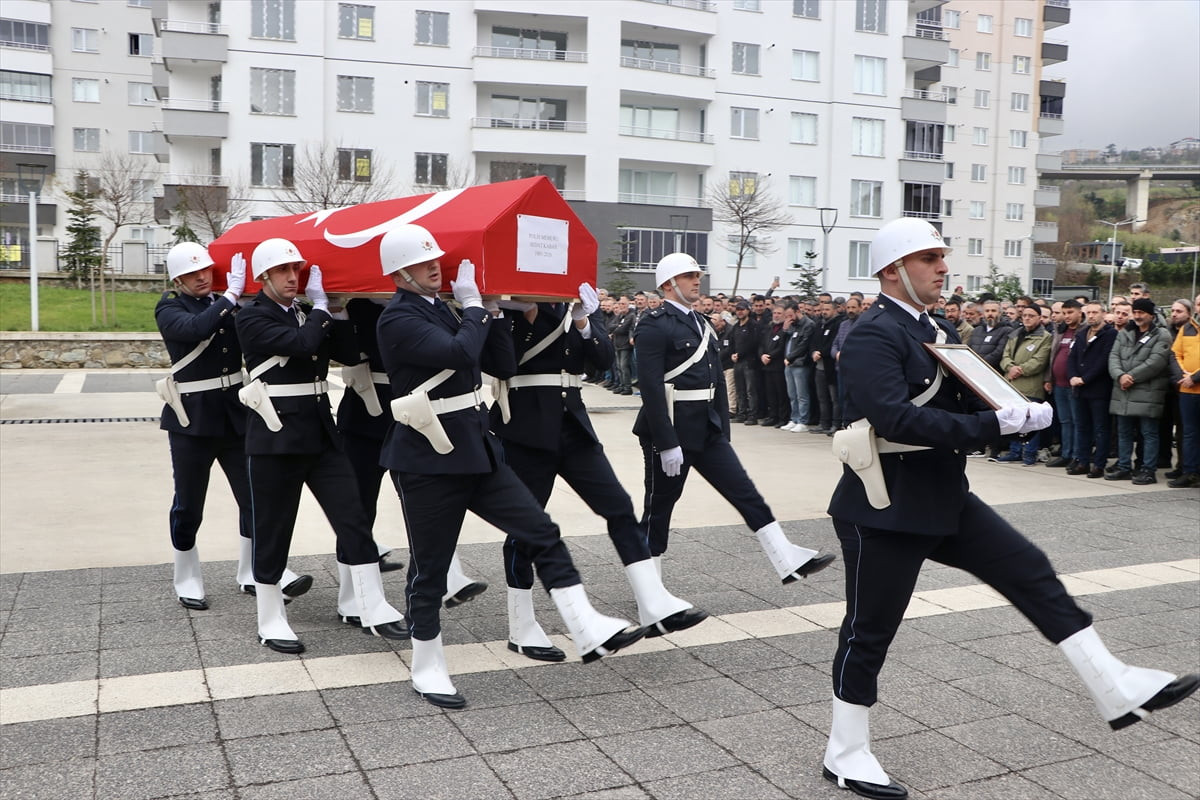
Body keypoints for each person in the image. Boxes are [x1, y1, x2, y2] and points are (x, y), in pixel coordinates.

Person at [823, 217, 1198, 800]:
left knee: (1030, 569)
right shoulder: (874, 333)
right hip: (886, 507)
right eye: (930, 259)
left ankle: (1115, 685)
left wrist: (1016, 411)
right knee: (869, 631)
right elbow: (897, 418)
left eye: (942, 256)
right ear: (893, 270)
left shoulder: (932, 326)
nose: (944, 268)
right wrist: (992, 422)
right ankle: (845, 753)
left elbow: (962, 397)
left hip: (943, 496)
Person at [375, 224, 644, 709]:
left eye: (436, 257)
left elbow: (501, 363)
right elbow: (457, 352)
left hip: (478, 449)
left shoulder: (450, 309)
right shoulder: (397, 319)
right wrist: (477, 309)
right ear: (399, 273)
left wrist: (495, 312)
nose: (435, 265)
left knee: (540, 529)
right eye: (423, 261)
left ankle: (582, 620)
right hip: (429, 460)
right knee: (431, 569)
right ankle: (427, 663)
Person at [491, 282, 707, 660]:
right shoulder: (504, 310)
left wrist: (583, 322)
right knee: (528, 528)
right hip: (525, 430)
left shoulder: (568, 309)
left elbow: (603, 359)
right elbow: (500, 364)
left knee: (618, 506)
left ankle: (654, 603)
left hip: (572, 425)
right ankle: (520, 626)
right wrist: (524, 314)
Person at [236, 238, 407, 654]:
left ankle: (369, 604)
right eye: (283, 271)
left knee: (353, 517)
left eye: (296, 270)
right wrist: (319, 310)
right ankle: (270, 617)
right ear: (263, 277)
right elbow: (301, 345)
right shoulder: (251, 317)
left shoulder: (304, 313)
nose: (293, 278)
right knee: (274, 529)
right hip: (276, 439)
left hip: (321, 435)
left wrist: (340, 311)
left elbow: (348, 354)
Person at [632, 253, 835, 586]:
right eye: (688, 276)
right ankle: (649, 587)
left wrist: (722, 431)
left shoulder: (701, 322)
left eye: (698, 274)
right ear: (668, 284)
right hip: (672, 429)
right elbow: (652, 388)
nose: (697, 280)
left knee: (745, 492)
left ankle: (786, 558)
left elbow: (716, 382)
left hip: (707, 429)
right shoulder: (654, 323)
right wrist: (666, 443)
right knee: (659, 509)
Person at [154, 243, 312, 611]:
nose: (202, 277)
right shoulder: (171, 307)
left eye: (206, 270)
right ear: (178, 279)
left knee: (254, 498)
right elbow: (194, 330)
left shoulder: (226, 305)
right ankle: (187, 577)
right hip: (191, 419)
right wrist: (230, 296)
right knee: (189, 503)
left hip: (234, 415)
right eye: (193, 274)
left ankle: (254, 571)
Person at [337, 298, 487, 600]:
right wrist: (340, 310)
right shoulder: (361, 304)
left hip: (417, 416)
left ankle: (447, 575)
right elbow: (348, 352)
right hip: (369, 415)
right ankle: (353, 597)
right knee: (359, 505)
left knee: (428, 502)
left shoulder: (429, 305)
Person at [1105, 298, 1173, 484]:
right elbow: (1113, 356)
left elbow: (1156, 362)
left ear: (1151, 315)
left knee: (1149, 433)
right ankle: (1124, 466)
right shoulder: (1126, 332)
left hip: (1147, 391)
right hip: (1124, 390)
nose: (1137, 316)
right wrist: (1120, 376)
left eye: (1141, 312)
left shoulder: (1161, 334)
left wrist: (1131, 377)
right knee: (1124, 432)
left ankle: (1147, 469)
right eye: (1135, 312)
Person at [992, 305, 1052, 465]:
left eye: (1031, 315)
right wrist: (1009, 367)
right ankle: (1015, 451)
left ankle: (1030, 454)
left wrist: (1019, 370)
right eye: (1024, 315)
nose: (1027, 318)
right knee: (1014, 419)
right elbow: (1005, 355)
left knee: (1031, 420)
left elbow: (1039, 361)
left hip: (1030, 385)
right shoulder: (1015, 334)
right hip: (1012, 384)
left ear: (1040, 318)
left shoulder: (1045, 337)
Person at [1066, 302, 1118, 478]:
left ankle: (1099, 464)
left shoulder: (1110, 334)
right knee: (1082, 427)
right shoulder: (1081, 334)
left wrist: (1085, 378)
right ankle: (1082, 461)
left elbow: (1103, 361)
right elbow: (1072, 358)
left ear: (1104, 313)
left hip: (1098, 389)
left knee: (1101, 428)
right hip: (1079, 389)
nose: (1092, 316)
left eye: (1095, 312)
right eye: (1088, 312)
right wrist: (1072, 376)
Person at [1043, 300, 1082, 468]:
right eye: (1064, 313)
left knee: (1077, 421)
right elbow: (1052, 356)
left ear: (1080, 313)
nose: (1066, 316)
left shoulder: (1084, 332)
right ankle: (1066, 454)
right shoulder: (1061, 331)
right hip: (1058, 383)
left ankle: (1077, 455)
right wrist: (1048, 378)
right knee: (1065, 420)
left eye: (1070, 312)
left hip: (1075, 385)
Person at [1168, 299, 1200, 487]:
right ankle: (1190, 472)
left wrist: (1194, 377)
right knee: (1189, 433)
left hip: (1193, 383)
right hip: (1187, 390)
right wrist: (1183, 376)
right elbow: (1175, 354)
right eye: (1198, 304)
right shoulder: (1187, 328)